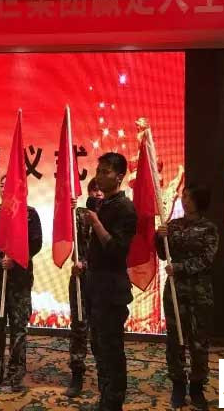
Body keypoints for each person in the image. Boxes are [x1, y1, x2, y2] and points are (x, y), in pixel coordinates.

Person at [156, 184, 218, 410]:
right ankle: (178, 385)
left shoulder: (209, 228)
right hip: (175, 291)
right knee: (175, 340)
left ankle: (197, 387)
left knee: (198, 342)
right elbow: (163, 254)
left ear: (199, 200)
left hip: (200, 292)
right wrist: (159, 237)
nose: (185, 200)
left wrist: (180, 267)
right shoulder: (173, 225)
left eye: (189, 197)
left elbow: (207, 259)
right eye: (183, 196)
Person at [0, 174, 43, 392]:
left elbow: (36, 243)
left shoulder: (30, 213)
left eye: (9, 186)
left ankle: (16, 375)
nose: (4, 189)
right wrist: (0, 220)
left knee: (18, 327)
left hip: (19, 275)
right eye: (2, 185)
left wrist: (16, 257)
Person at [85, 152, 137, 411]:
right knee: (98, 346)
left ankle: (114, 402)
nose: (99, 177)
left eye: (105, 172)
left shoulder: (124, 208)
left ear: (119, 177)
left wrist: (96, 223)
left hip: (112, 290)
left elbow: (117, 250)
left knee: (112, 349)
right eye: (98, 171)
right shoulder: (101, 204)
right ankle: (105, 398)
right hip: (95, 287)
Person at [64, 178, 103, 398]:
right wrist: (68, 209)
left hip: (103, 280)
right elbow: (68, 234)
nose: (98, 193)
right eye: (94, 190)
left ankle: (104, 375)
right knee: (79, 327)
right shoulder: (80, 214)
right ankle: (77, 373)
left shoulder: (113, 214)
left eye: (101, 190)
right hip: (80, 279)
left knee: (101, 330)